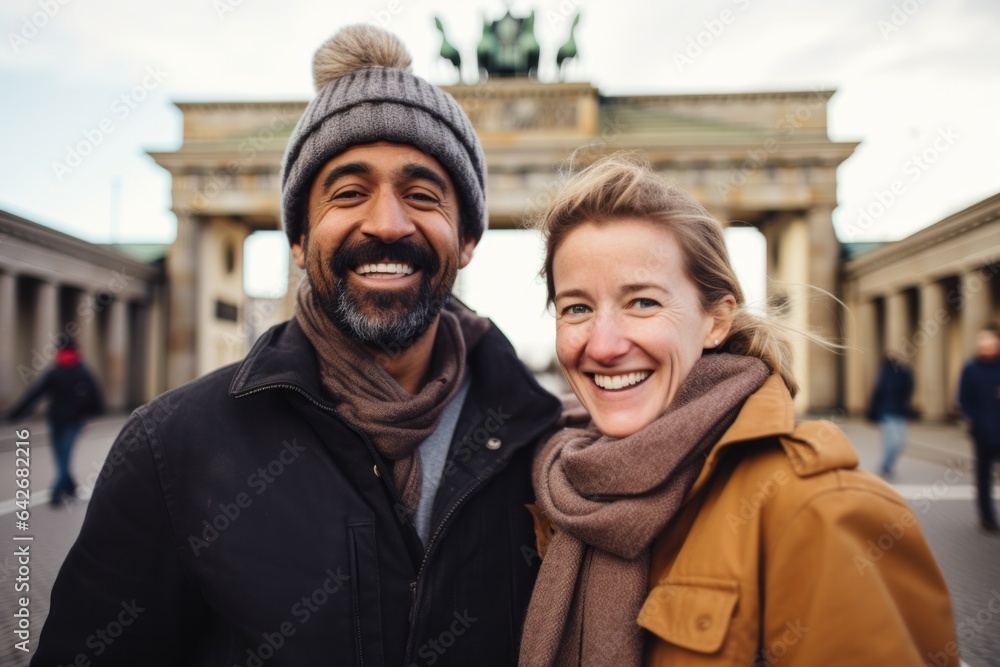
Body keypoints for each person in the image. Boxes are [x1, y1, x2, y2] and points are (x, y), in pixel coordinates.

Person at [32, 25, 560, 665]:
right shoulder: (171, 451)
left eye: (422, 195)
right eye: (348, 192)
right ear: (301, 239)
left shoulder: (544, 446)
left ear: (467, 239)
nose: (388, 223)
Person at [518, 154, 959, 666]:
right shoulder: (558, 485)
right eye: (577, 308)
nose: (604, 344)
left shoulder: (820, 513)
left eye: (643, 302)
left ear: (716, 320)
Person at [4, 337, 103, 506]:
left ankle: (57, 492)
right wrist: (93, 413)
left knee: (61, 455)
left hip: (57, 420)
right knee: (64, 455)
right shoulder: (82, 371)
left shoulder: (55, 372)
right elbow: (96, 395)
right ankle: (70, 486)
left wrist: (14, 415)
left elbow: (34, 394)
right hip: (74, 420)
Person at [958, 323, 1000, 534]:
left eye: (990, 340)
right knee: (983, 475)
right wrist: (972, 419)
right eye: (982, 340)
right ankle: (987, 517)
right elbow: (964, 398)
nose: (985, 344)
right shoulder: (971, 368)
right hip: (982, 431)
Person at [868, 354, 915, 476]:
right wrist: (873, 412)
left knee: (899, 443)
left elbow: (909, 387)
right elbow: (878, 393)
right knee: (892, 442)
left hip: (899, 412)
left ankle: (887, 465)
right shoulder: (885, 374)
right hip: (887, 413)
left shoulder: (903, 374)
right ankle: (886, 465)